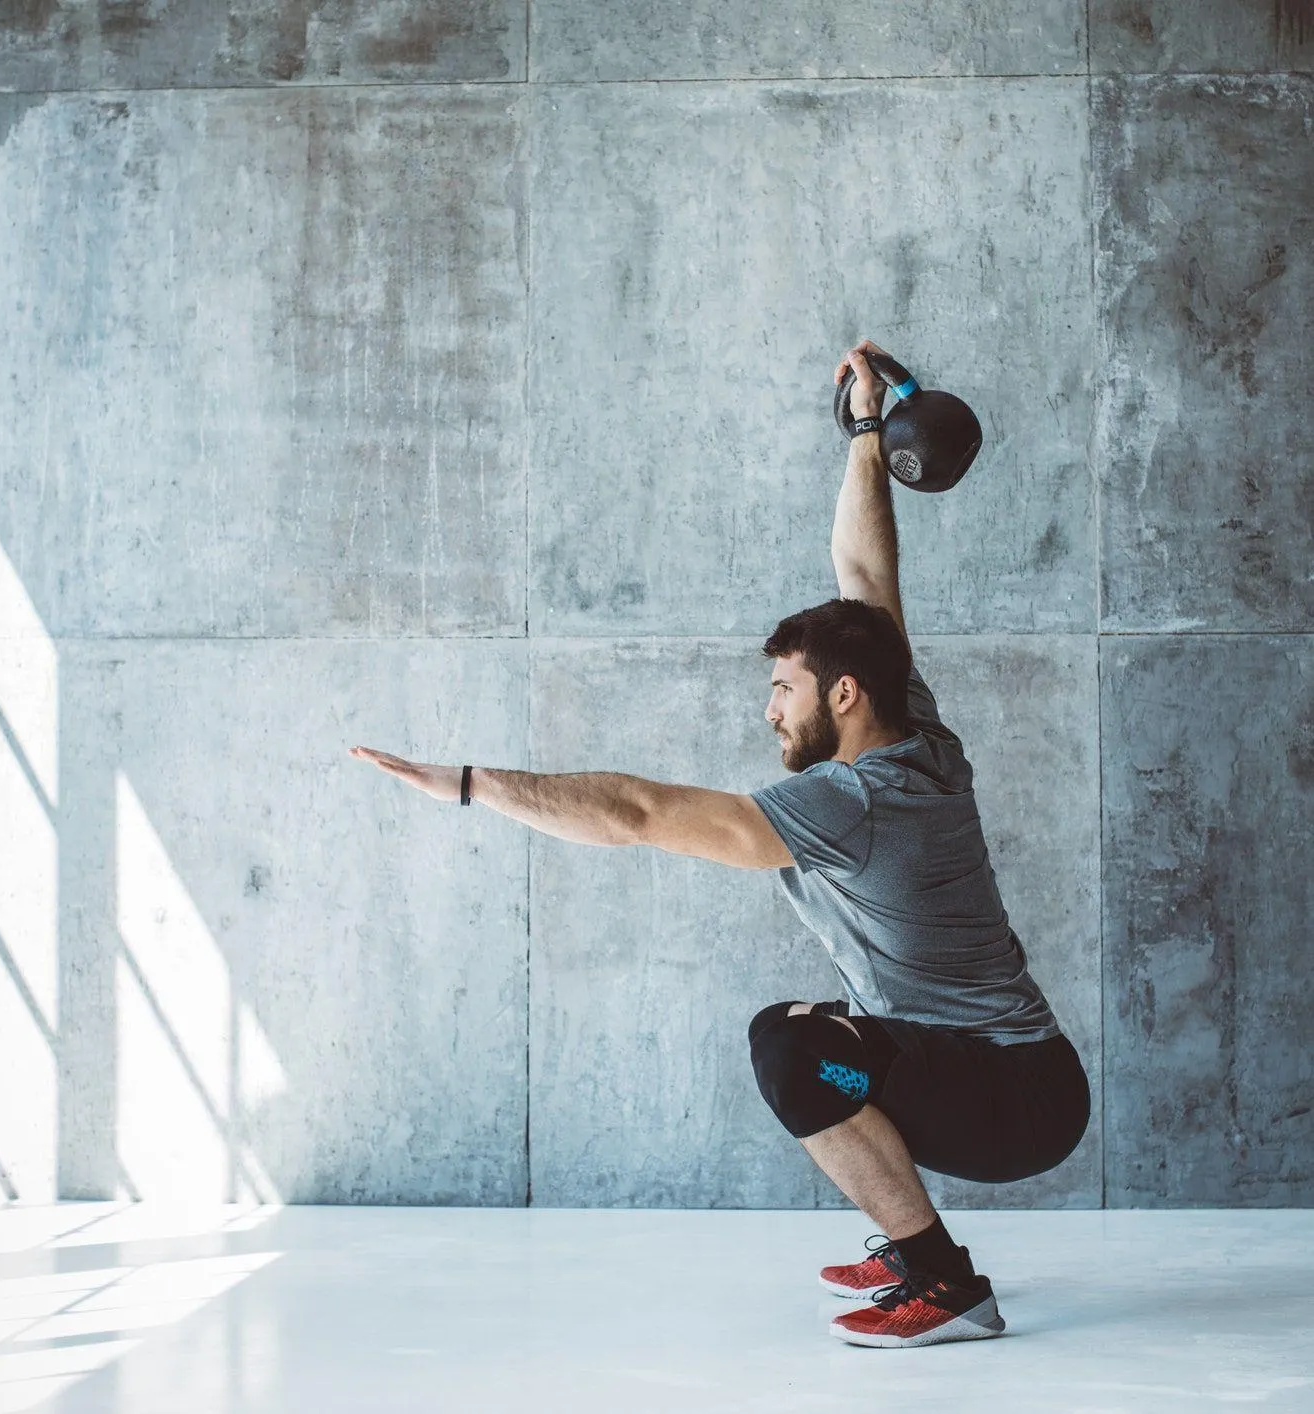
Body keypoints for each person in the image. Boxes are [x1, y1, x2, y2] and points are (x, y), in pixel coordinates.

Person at [351, 339, 1090, 1349]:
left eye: (782, 689)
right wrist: (867, 433)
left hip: (1017, 1096)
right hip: (1017, 1073)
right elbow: (865, 574)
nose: (770, 710)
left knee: (796, 1053)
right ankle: (909, 1245)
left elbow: (638, 813)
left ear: (840, 695)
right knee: (795, 1029)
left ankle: (945, 1282)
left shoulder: (854, 797)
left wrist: (472, 784)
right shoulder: (908, 725)